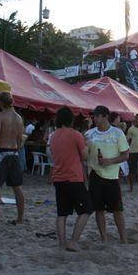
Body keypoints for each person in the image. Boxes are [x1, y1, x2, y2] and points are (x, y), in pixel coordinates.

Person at [49, 107, 91, 251]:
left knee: (62, 213)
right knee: (86, 210)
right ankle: (73, 241)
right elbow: (85, 156)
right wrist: (86, 145)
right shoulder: (75, 135)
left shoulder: (53, 136)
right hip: (73, 178)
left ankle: (62, 243)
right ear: (71, 119)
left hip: (58, 177)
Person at [87, 105, 129, 243]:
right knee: (98, 209)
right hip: (95, 175)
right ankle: (103, 237)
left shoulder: (117, 133)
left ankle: (123, 238)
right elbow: (83, 154)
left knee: (117, 209)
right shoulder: (89, 134)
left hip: (112, 177)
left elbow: (125, 155)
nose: (94, 118)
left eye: (97, 116)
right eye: (94, 116)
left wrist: (110, 161)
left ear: (105, 116)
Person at [0, 92, 25, 227]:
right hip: (14, 153)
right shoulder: (19, 118)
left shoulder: (0, 116)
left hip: (1, 153)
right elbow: (20, 140)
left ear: (1, 102)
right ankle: (20, 218)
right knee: (17, 187)